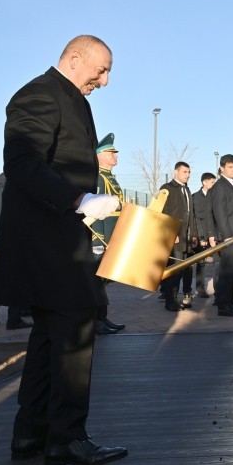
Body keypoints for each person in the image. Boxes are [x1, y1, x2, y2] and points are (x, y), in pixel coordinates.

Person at [0, 34, 127, 465]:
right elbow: (23, 164)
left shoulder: (75, 101)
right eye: (100, 70)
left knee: (49, 335)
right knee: (76, 328)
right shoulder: (38, 94)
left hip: (58, 235)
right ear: (74, 57)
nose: (103, 81)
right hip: (45, 238)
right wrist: (77, 200)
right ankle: (67, 437)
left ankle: (32, 432)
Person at [0, 173, 31, 330]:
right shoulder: (16, 181)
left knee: (0, 278)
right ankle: (14, 318)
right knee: (19, 278)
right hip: (14, 235)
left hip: (0, 235)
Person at [90, 133, 125, 335]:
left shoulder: (109, 177)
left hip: (111, 237)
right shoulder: (99, 178)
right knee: (96, 282)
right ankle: (96, 320)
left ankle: (102, 317)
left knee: (101, 282)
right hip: (101, 238)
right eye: (112, 153)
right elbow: (95, 211)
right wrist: (97, 241)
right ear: (100, 155)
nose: (116, 157)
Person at [209, 154, 233, 316]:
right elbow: (220, 213)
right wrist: (226, 235)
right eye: (230, 167)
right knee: (226, 271)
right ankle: (223, 307)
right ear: (222, 168)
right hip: (230, 236)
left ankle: (229, 301)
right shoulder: (220, 186)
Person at [159, 162, 198, 312]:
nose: (187, 175)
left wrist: (193, 234)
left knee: (181, 270)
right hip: (174, 238)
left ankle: (175, 299)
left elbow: (191, 214)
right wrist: (171, 233)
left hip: (186, 239)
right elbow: (162, 214)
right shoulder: (167, 189)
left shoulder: (187, 190)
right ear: (176, 172)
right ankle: (170, 301)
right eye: (184, 172)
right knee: (173, 271)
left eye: (189, 172)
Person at [192, 172, 218, 298]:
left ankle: (220, 287)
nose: (214, 184)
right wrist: (202, 237)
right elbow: (197, 218)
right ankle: (200, 288)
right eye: (212, 182)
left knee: (218, 261)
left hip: (215, 234)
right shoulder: (196, 197)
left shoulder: (215, 196)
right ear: (204, 182)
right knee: (201, 262)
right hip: (202, 235)